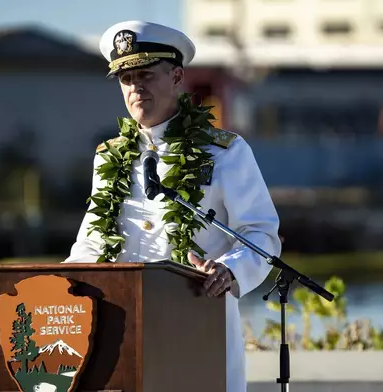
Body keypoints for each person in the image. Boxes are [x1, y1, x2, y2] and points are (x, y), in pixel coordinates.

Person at [63, 20, 282, 392]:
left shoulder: (224, 152)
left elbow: (261, 235)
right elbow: (90, 246)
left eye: (145, 75)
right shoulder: (110, 157)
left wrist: (229, 271)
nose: (135, 88)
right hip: (119, 331)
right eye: (126, 79)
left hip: (196, 322)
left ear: (177, 76)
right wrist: (57, 287)